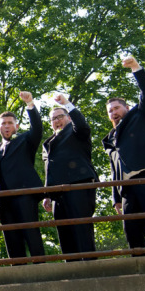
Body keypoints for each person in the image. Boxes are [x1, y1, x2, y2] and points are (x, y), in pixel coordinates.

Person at [102, 56, 145, 251]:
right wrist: (116, 197)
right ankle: (139, 268)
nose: (113, 112)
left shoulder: (139, 115)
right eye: (110, 111)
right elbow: (114, 166)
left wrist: (136, 68)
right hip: (127, 185)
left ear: (126, 107)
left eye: (117, 108)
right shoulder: (111, 138)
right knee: (131, 229)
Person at [42, 95, 99, 257]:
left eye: (60, 116)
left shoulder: (76, 132)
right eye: (53, 119)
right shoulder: (47, 143)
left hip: (78, 186)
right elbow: (49, 168)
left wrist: (67, 104)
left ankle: (89, 267)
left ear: (68, 117)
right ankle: (72, 269)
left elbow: (81, 125)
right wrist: (47, 193)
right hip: (57, 194)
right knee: (64, 233)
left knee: (82, 229)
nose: (57, 121)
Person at [0, 92, 45, 260]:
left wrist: (30, 104)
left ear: (16, 126)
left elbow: (37, 129)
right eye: (3, 124)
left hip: (25, 196)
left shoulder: (25, 140)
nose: (6, 126)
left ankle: (42, 269)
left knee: (31, 233)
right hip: (5, 201)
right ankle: (18, 273)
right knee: (11, 238)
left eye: (10, 123)